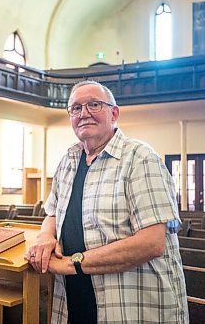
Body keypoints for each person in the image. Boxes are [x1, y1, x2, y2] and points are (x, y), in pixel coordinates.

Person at [25, 80, 189, 323]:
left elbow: (152, 243)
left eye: (94, 104)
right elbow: (52, 213)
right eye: (76, 108)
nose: (84, 113)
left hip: (130, 305)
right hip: (73, 302)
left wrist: (73, 264)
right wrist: (46, 237)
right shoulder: (69, 160)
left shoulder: (140, 158)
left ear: (114, 113)